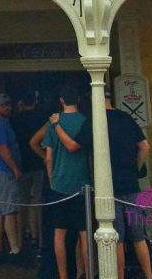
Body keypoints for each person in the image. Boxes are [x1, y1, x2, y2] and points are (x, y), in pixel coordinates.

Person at [42, 84, 92, 279]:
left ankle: (63, 276)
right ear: (78, 99)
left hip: (60, 183)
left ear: (61, 100)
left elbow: (48, 157)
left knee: (59, 234)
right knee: (84, 233)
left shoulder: (53, 122)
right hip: (82, 183)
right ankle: (86, 273)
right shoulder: (85, 121)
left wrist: (52, 179)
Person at [105, 86, 152, 279]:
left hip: (111, 183)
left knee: (117, 237)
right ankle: (149, 276)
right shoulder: (125, 117)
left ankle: (119, 276)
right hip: (131, 182)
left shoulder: (97, 119)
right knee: (138, 235)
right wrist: (135, 168)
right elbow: (145, 146)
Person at [0, 92, 24, 265]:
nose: (7, 107)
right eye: (3, 105)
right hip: (2, 171)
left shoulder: (1, 124)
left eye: (8, 103)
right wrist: (15, 168)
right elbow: (3, 148)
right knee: (9, 211)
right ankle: (15, 251)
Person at [11, 89, 45, 251]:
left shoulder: (16, 120)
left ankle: (19, 240)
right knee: (37, 203)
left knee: (21, 204)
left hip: (21, 165)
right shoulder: (41, 119)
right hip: (39, 163)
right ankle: (37, 238)